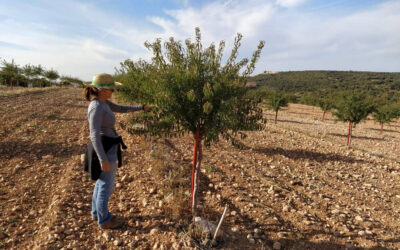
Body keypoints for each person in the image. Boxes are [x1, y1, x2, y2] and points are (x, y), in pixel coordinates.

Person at [84, 73, 151, 229]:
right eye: (110, 89)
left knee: (102, 183)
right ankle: (104, 220)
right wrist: (103, 160)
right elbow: (93, 134)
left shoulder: (104, 103)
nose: (112, 92)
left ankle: (96, 213)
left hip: (109, 147)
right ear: (101, 90)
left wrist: (141, 107)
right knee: (106, 186)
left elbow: (122, 108)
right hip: (105, 149)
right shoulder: (96, 107)